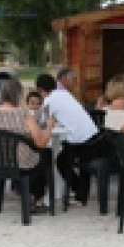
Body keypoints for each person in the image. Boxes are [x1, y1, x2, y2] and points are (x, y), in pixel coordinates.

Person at [0, 78, 55, 213]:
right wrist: (49, 127)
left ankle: (22, 193)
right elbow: (41, 143)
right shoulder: (24, 115)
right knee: (45, 154)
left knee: (34, 156)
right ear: (18, 95)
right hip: (23, 164)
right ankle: (36, 198)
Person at [35, 73, 99, 206]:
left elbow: (42, 123)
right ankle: (81, 195)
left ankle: (77, 191)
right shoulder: (64, 94)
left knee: (61, 161)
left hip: (78, 139)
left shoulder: (48, 101)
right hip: (92, 133)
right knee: (80, 163)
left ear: (41, 90)